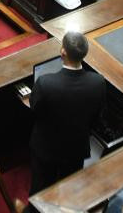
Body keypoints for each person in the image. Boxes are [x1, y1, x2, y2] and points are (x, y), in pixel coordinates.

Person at [29, 31, 107, 193]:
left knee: (41, 190)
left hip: (46, 148)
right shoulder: (98, 82)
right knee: (68, 191)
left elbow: (35, 109)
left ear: (62, 51)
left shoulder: (45, 83)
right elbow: (96, 117)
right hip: (76, 149)